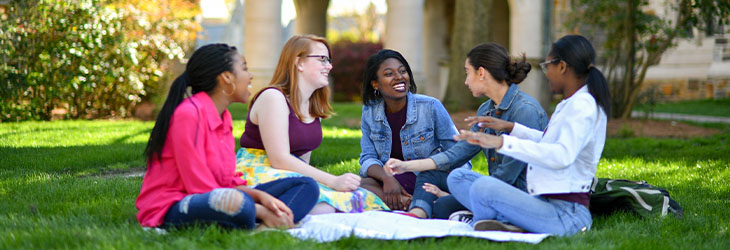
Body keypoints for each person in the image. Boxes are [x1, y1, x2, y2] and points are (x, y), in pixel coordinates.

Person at [136, 44, 319, 230]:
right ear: (227, 78)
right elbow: (199, 186)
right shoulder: (189, 114)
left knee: (307, 186)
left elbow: (226, 182)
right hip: (175, 205)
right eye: (245, 68)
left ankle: (268, 224)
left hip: (221, 197)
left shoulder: (224, 117)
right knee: (239, 204)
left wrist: (261, 196)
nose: (250, 76)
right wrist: (259, 209)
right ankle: (265, 220)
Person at [447, 35, 611, 236]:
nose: (546, 74)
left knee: (484, 187)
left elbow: (561, 155)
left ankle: (492, 218)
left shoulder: (583, 106)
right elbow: (547, 142)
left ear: (562, 67)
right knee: (459, 177)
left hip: (567, 216)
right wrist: (511, 127)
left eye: (547, 66)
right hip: (544, 204)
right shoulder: (572, 103)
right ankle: (503, 219)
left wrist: (502, 142)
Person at [382, 43, 548, 220]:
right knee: (435, 185)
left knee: (447, 199)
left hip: (520, 198)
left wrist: (463, 193)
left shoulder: (524, 111)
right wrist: (404, 165)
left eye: (468, 72)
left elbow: (506, 177)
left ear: (481, 73)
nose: (466, 81)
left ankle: (474, 212)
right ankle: (417, 216)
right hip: (494, 189)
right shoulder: (486, 110)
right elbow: (457, 154)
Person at [236, 35, 388, 214]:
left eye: (329, 60)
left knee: (363, 198)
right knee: (325, 201)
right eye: (322, 59)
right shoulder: (273, 98)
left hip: (291, 175)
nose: (329, 66)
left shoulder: (314, 108)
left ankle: (295, 210)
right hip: (257, 171)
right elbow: (279, 159)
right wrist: (333, 181)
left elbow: (302, 163)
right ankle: (272, 213)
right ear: (298, 62)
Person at [358, 49, 471, 217]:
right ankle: (409, 203)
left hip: (428, 178)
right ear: (375, 83)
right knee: (356, 183)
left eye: (403, 71)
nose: (399, 77)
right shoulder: (370, 111)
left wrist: (458, 185)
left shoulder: (431, 107)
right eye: (389, 73)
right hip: (394, 180)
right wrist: (387, 179)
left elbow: (458, 154)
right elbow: (367, 157)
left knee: (363, 189)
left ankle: (411, 204)